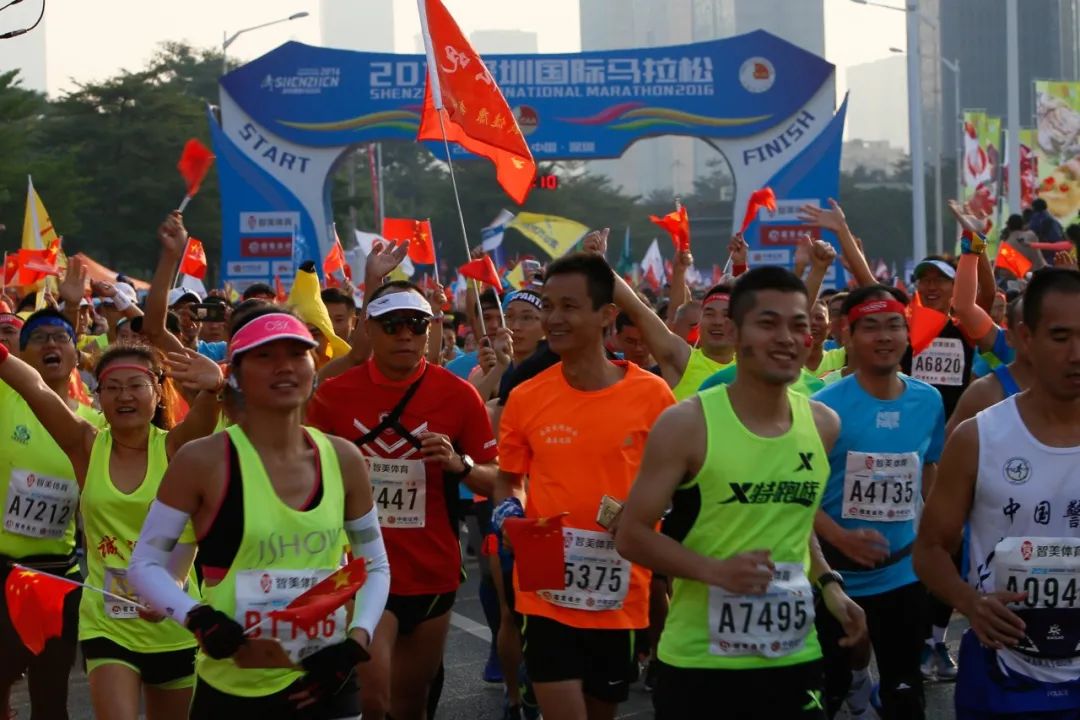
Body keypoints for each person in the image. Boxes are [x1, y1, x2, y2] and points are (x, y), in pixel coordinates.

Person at [615, 266, 867, 720]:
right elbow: (631, 535)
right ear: (733, 332)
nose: (786, 338)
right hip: (699, 662)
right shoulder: (687, 423)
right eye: (768, 323)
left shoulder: (824, 424)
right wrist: (714, 571)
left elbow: (795, 520)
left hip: (794, 655)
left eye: (798, 325)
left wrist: (830, 585)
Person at [127, 305, 390, 717]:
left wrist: (355, 643)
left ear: (313, 368)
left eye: (297, 353)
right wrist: (198, 617)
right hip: (233, 687)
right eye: (265, 356)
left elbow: (375, 565)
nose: (284, 366)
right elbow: (144, 565)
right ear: (236, 374)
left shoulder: (343, 459)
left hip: (325, 677)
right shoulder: (201, 461)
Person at [492, 252, 675, 720]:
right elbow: (509, 480)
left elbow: (675, 484)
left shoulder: (652, 395)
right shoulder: (526, 397)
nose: (554, 319)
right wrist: (509, 514)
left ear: (606, 314)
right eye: (549, 306)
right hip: (544, 584)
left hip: (619, 587)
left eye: (569, 307)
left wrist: (645, 514)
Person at [0, 338, 223, 720]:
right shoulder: (86, 445)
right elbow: (34, 387)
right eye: (113, 387)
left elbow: (207, 414)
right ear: (98, 396)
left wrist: (215, 385)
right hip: (107, 624)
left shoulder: (177, 449)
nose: (124, 396)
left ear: (157, 393)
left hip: (174, 621)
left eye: (136, 385)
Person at [306, 280, 499, 720]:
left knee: (411, 704)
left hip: (432, 570)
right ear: (368, 329)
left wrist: (461, 465)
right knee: (374, 698)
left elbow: (499, 481)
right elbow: (300, 469)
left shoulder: (458, 395)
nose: (406, 335)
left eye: (417, 324)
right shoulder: (334, 395)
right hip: (360, 572)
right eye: (392, 325)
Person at [914, 268, 1080, 720]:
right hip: (1001, 680)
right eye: (1060, 336)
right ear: (1026, 338)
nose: (1076, 353)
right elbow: (929, 550)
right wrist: (971, 603)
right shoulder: (978, 437)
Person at [812, 285, 946, 719]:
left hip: (901, 577)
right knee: (823, 699)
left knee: (905, 699)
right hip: (833, 580)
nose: (884, 336)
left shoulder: (928, 400)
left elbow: (929, 468)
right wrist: (838, 538)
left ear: (908, 334)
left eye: (894, 325)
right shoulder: (822, 408)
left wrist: (936, 534)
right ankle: (852, 683)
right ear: (846, 336)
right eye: (870, 327)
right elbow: (799, 495)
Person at [0, 309, 105, 720]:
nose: (51, 344)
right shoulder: (6, 397)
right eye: (39, 337)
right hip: (4, 570)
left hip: (58, 576)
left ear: (76, 355)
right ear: (20, 354)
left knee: (50, 697)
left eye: (61, 337)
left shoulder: (94, 424)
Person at [946, 296, 1030, 436]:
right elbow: (976, 376)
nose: (996, 313)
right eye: (993, 308)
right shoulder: (991, 352)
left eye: (1000, 308)